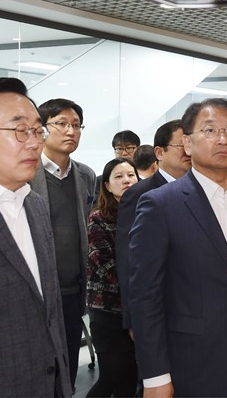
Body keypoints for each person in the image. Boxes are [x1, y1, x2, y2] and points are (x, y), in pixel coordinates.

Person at [128, 98, 227, 397]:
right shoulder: (160, 205)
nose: (223, 139)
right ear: (188, 144)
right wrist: (154, 375)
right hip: (192, 368)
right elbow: (145, 298)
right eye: (210, 130)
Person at [0, 77, 71, 396]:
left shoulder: (34, 204)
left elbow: (49, 313)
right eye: (20, 130)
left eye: (38, 131)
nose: (34, 143)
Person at [30, 97, 97, 391]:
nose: (70, 131)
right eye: (61, 124)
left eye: (76, 125)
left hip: (72, 291)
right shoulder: (26, 172)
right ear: (42, 128)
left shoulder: (86, 175)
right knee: (37, 369)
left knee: (67, 369)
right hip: (36, 291)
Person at [116, 119, 192, 333]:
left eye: (191, 143)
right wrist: (133, 317)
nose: (188, 151)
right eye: (181, 145)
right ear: (159, 152)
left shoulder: (200, 190)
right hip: (158, 309)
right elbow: (128, 260)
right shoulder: (139, 194)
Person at [86, 157, 139, 397]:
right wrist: (143, 283)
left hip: (136, 308)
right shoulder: (98, 218)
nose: (126, 180)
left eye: (131, 175)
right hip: (108, 310)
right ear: (107, 185)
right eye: (119, 176)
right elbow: (105, 266)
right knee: (112, 375)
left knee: (130, 378)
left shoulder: (145, 211)